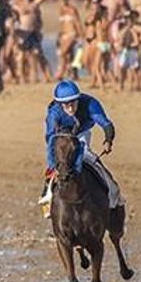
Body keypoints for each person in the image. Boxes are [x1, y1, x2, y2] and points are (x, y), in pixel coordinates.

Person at [37, 80, 123, 211]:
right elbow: (50, 137)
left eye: (73, 103)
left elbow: (105, 123)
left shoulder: (90, 104)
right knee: (56, 161)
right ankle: (47, 197)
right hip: (61, 137)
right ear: (60, 104)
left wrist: (108, 139)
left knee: (89, 158)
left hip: (81, 133)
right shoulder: (54, 113)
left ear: (78, 99)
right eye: (66, 105)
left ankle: (112, 191)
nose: (71, 108)